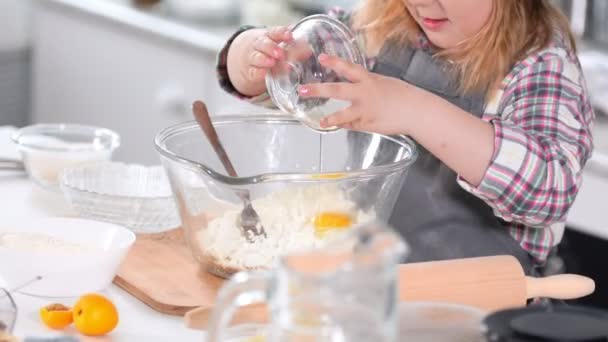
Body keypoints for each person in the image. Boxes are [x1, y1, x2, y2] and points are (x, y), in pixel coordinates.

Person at [215, 0, 595, 275]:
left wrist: (413, 109)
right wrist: (251, 60)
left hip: (480, 307)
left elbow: (549, 191)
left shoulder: (540, 63)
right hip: (371, 283)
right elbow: (298, 71)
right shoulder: (383, 24)